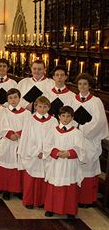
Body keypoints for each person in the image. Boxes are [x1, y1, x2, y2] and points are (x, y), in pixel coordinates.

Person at [70, 73, 109, 207]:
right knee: (75, 166)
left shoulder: (96, 101)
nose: (82, 86)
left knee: (88, 166)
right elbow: (66, 116)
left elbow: (100, 122)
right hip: (75, 138)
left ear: (90, 86)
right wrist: (74, 127)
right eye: (80, 84)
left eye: (85, 84)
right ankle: (74, 197)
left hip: (89, 140)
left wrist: (82, 127)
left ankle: (86, 199)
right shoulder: (72, 100)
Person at [43, 106, 85, 218]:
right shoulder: (52, 130)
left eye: (68, 116)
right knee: (54, 185)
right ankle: (51, 208)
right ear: (58, 117)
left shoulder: (77, 133)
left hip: (69, 164)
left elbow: (81, 149)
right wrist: (56, 152)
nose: (65, 119)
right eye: (63, 116)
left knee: (70, 187)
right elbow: (47, 146)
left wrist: (69, 153)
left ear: (72, 118)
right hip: (56, 163)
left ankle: (70, 211)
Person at [18, 96, 57, 209]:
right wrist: (36, 151)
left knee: (44, 178)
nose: (42, 109)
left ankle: (42, 201)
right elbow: (26, 138)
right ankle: (29, 201)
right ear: (35, 107)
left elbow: (54, 138)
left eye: (45, 107)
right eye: (40, 106)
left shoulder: (53, 121)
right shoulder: (30, 119)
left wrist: (45, 152)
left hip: (46, 154)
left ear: (49, 107)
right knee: (31, 178)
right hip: (32, 154)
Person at [0, 88, 29, 200]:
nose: (13, 100)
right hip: (7, 142)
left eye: (15, 97)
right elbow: (1, 125)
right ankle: (6, 189)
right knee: (7, 166)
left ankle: (18, 190)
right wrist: (9, 134)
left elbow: (29, 128)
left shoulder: (26, 113)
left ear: (19, 98)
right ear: (7, 100)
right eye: (10, 98)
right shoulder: (4, 111)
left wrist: (18, 134)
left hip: (21, 141)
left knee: (18, 166)